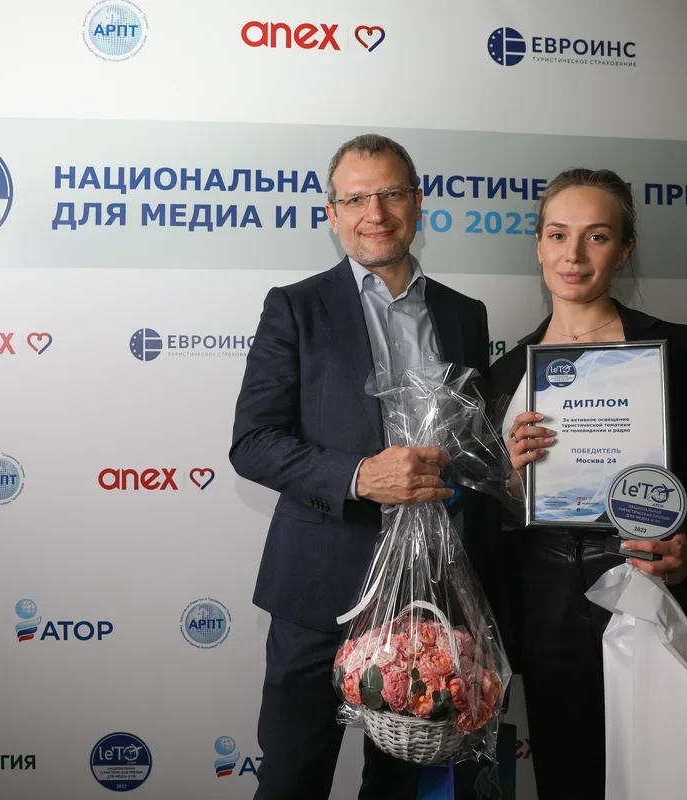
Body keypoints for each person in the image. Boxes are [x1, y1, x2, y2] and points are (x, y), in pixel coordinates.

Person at [229, 134, 510, 799]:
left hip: (430, 593)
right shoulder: (295, 307)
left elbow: (471, 442)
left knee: (401, 786)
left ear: (417, 201)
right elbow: (253, 442)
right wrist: (360, 476)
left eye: (389, 194)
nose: (374, 213)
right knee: (292, 780)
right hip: (318, 590)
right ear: (332, 214)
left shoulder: (464, 315)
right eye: (355, 199)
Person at [492, 167, 687, 799]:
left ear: (624, 250)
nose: (573, 255)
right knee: (568, 779)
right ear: (539, 245)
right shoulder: (507, 373)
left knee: (666, 778)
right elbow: (494, 519)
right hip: (548, 610)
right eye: (557, 234)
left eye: (597, 236)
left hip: (654, 591)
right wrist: (510, 479)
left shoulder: (684, 352)